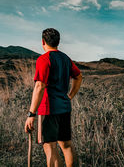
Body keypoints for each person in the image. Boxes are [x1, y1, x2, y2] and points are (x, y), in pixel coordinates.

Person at [24, 28, 82, 167]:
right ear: (58, 42)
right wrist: (70, 96)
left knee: (50, 147)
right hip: (64, 107)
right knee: (66, 145)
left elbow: (40, 86)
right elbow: (78, 77)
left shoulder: (44, 59)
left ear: (43, 42)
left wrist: (31, 114)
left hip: (48, 110)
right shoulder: (66, 58)